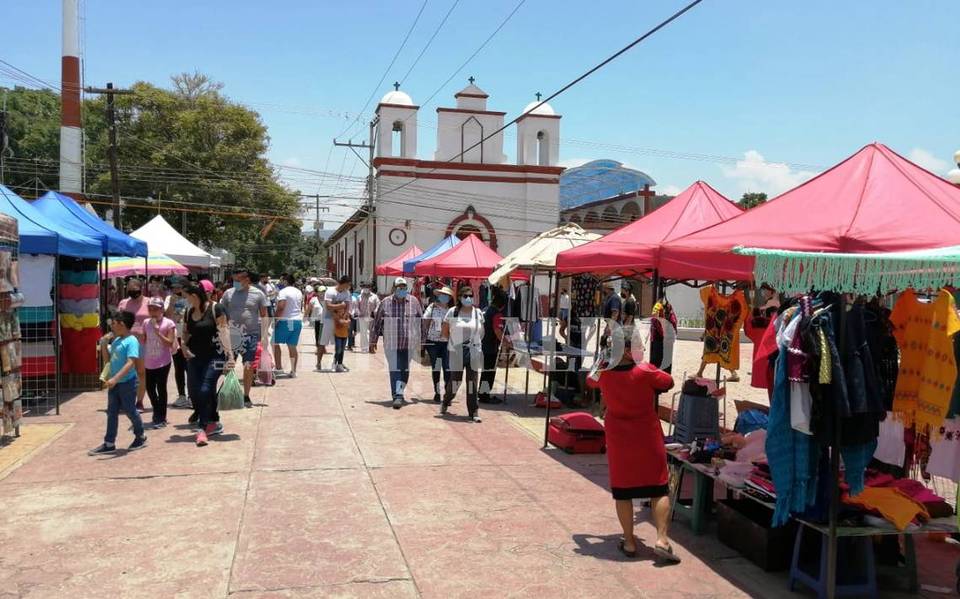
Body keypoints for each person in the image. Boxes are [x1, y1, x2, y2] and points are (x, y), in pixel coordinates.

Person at [586, 326, 680, 564]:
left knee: (623, 491)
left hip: (619, 438)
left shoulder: (604, 372)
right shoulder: (645, 371)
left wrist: (604, 357)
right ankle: (662, 539)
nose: (641, 348)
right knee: (659, 488)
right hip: (647, 435)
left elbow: (590, 379)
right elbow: (668, 381)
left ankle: (629, 541)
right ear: (627, 350)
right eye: (638, 345)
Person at [182, 283, 234, 447]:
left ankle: (202, 428)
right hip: (195, 357)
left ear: (194, 296)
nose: (186, 300)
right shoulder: (189, 312)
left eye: (187, 296)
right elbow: (185, 332)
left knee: (205, 388)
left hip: (215, 356)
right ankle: (213, 421)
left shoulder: (216, 309)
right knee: (196, 392)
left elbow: (224, 331)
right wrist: (183, 347)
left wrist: (230, 355)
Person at [89, 311, 147, 455]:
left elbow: (131, 362)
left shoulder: (131, 341)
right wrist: (103, 345)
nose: (112, 327)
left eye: (113, 323)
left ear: (122, 324)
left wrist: (115, 378)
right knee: (112, 412)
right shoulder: (116, 341)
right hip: (115, 383)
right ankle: (109, 442)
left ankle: (140, 435)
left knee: (129, 410)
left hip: (127, 382)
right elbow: (108, 361)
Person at [220, 267, 269, 407]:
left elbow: (264, 315)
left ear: (246, 279)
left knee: (248, 366)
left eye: (238, 279)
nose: (235, 282)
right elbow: (221, 313)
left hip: (251, 335)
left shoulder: (258, 294)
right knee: (229, 365)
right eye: (234, 279)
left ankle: (246, 395)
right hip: (232, 335)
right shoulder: (228, 293)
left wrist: (264, 335)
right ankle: (228, 392)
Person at [371, 277, 422, 408]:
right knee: (395, 369)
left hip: (408, 344)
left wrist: (422, 341)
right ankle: (397, 395)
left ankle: (400, 390)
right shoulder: (385, 302)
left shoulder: (414, 301)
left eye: (404, 287)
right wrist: (373, 340)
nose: (402, 290)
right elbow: (377, 323)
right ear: (394, 288)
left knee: (405, 371)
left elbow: (420, 322)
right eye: (399, 287)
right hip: (391, 343)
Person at [443, 285, 485, 422]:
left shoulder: (478, 313)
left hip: (474, 350)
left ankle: (473, 411)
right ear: (460, 298)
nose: (468, 298)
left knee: (472, 382)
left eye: (470, 296)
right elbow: (445, 332)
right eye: (465, 296)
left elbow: (482, 331)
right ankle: (446, 400)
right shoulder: (452, 312)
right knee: (456, 381)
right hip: (457, 351)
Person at [143, 297, 176, 429]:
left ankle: (161, 417)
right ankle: (157, 411)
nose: (153, 311)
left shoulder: (169, 323)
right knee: (150, 389)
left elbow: (169, 343)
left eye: (155, 309)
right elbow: (144, 339)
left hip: (163, 361)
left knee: (161, 388)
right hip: (149, 361)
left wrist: (158, 333)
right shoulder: (146, 322)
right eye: (150, 309)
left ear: (162, 309)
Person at [118, 278, 151, 410]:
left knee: (141, 372)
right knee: (125, 372)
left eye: (135, 290)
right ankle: (125, 399)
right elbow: (118, 321)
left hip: (143, 342)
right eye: (130, 290)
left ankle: (139, 401)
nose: (132, 292)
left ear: (141, 288)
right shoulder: (123, 303)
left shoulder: (149, 302)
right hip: (126, 342)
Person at [422, 285, 453, 403]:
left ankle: (447, 394)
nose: (444, 297)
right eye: (442, 295)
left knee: (447, 368)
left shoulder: (452, 310)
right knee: (436, 368)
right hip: (433, 341)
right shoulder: (432, 307)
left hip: (447, 342)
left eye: (447, 296)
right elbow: (425, 320)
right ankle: (437, 392)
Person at [165, 276, 191, 409]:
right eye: (174, 288)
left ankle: (192, 396)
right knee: (178, 367)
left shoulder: (191, 298)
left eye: (179, 287)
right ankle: (182, 395)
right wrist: (171, 304)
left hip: (188, 337)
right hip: (175, 337)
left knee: (190, 367)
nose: (176, 290)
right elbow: (167, 316)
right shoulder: (169, 299)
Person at [273, 273, 304, 378]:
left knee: (275, 343)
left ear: (285, 281)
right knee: (292, 346)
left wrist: (275, 320)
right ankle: (293, 371)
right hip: (297, 321)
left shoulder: (283, 292)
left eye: (282, 280)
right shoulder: (298, 292)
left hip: (285, 321)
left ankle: (278, 368)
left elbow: (281, 307)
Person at [320, 276, 352, 371]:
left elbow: (347, 307)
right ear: (343, 283)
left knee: (340, 345)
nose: (349, 286)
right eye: (348, 284)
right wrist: (340, 305)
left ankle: (338, 363)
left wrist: (345, 318)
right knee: (323, 342)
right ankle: (319, 362)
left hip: (341, 322)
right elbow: (329, 306)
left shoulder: (346, 293)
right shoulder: (330, 291)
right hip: (328, 320)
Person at [478, 293, 506, 405]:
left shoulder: (487, 310)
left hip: (484, 343)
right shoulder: (497, 314)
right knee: (489, 372)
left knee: (485, 371)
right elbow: (498, 331)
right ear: (502, 305)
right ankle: (485, 395)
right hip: (491, 346)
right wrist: (506, 343)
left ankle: (482, 393)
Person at [355, 281, 380, 353]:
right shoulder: (359, 297)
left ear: (370, 288)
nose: (366, 289)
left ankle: (371, 346)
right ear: (362, 288)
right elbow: (356, 306)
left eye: (367, 287)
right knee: (363, 333)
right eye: (364, 287)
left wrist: (375, 312)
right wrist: (359, 313)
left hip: (371, 317)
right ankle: (364, 348)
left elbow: (378, 305)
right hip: (362, 317)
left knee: (372, 332)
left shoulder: (374, 296)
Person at [306, 285, 326, 369]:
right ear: (317, 293)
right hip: (318, 321)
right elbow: (309, 309)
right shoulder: (313, 300)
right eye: (321, 291)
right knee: (318, 338)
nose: (323, 293)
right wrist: (305, 316)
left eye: (324, 291)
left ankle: (322, 348)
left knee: (324, 339)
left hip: (327, 321)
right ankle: (319, 358)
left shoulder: (328, 300)